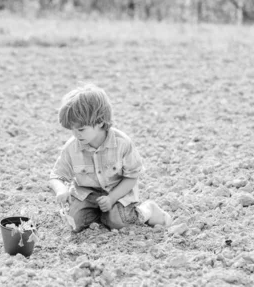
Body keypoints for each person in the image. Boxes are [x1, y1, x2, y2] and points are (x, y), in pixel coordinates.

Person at [49, 84, 172, 232]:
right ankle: (101, 216)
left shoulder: (122, 143)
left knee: (119, 222)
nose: (76, 134)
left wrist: (112, 198)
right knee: (75, 224)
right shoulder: (72, 147)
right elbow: (56, 176)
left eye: (81, 129)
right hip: (87, 194)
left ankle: (149, 209)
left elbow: (132, 177)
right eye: (72, 129)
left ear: (100, 122)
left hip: (117, 192)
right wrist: (61, 190)